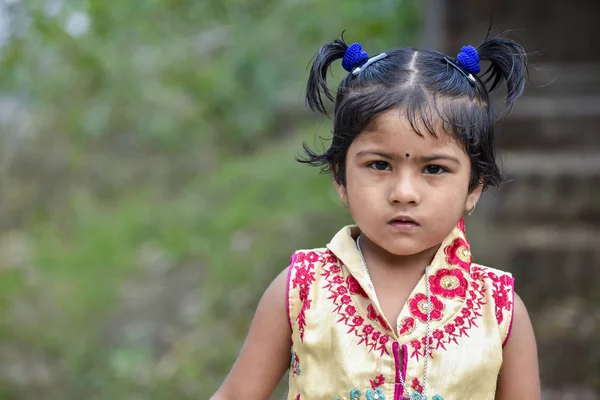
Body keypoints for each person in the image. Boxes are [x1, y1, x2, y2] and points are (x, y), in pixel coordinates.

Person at [211, 31, 541, 400]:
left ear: (474, 187)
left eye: (434, 169)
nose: (403, 193)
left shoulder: (499, 310)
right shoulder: (302, 290)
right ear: (340, 177)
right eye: (379, 164)